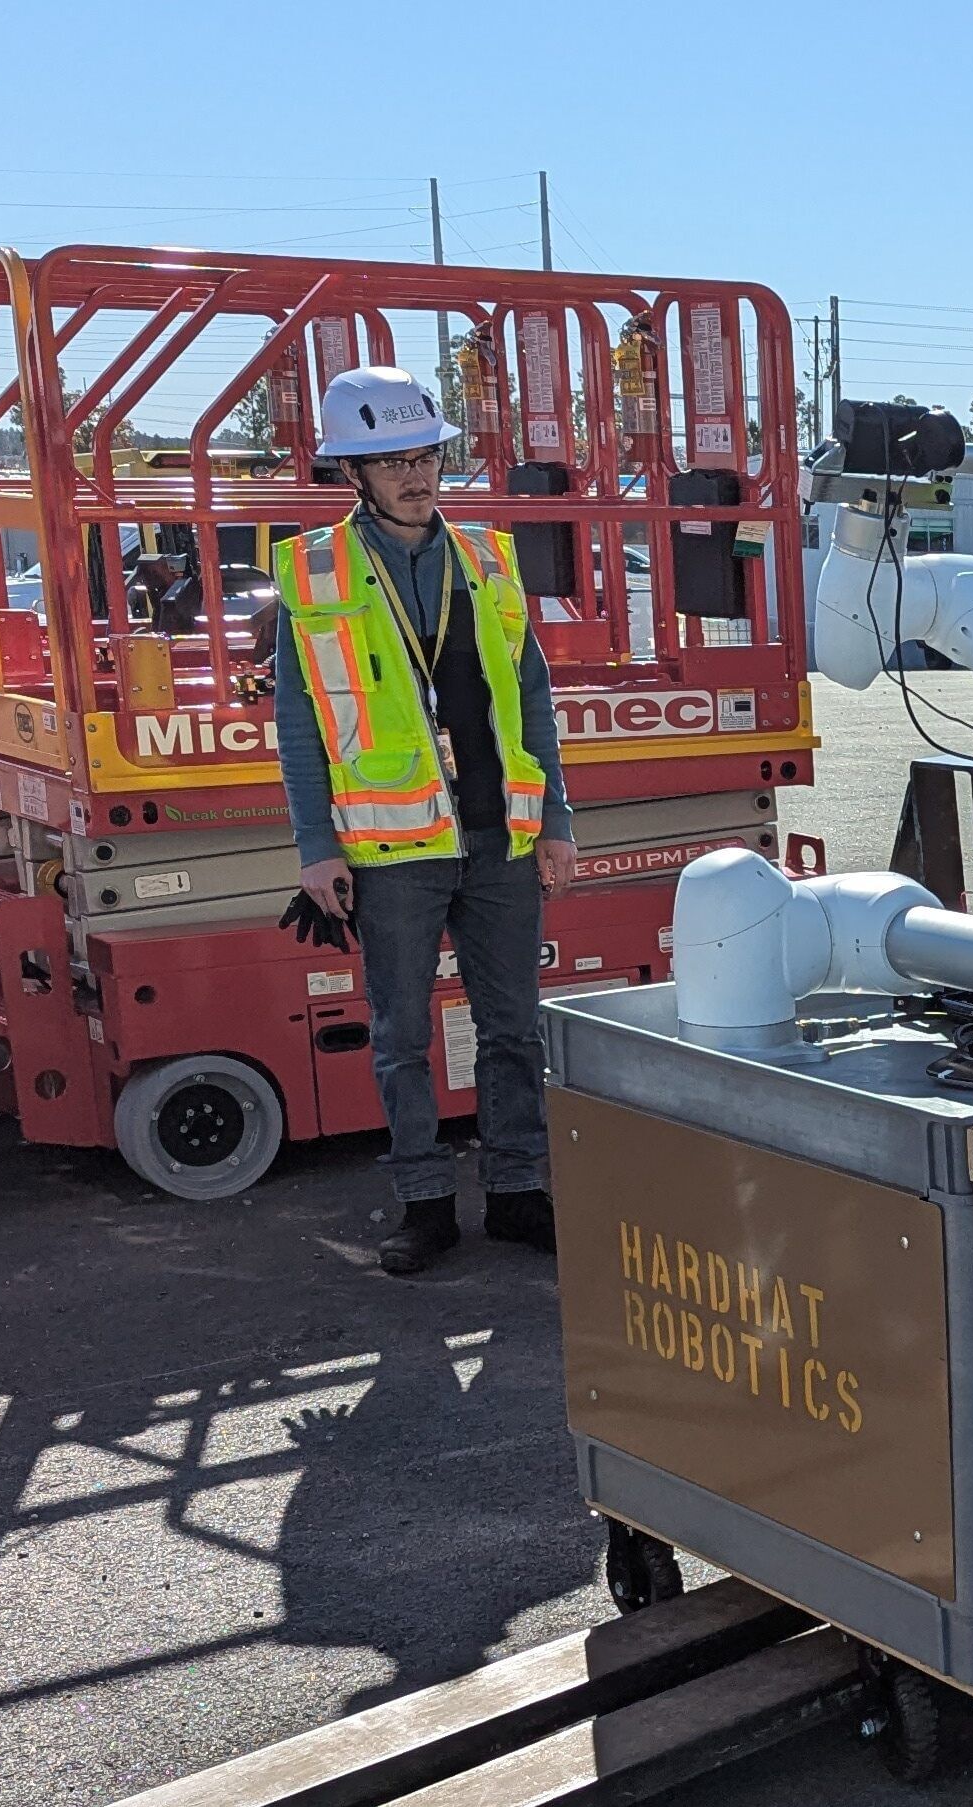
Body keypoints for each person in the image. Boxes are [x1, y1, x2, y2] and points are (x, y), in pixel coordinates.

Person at [271, 365, 577, 1275]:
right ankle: (425, 1205)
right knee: (402, 1036)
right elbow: (299, 727)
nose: (415, 474)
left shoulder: (486, 559)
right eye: (390, 460)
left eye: (424, 455)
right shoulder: (317, 572)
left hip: (501, 839)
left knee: (514, 1028)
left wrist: (554, 816)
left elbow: (532, 699)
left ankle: (520, 1194)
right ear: (350, 475)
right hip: (392, 848)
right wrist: (315, 848)